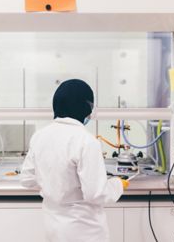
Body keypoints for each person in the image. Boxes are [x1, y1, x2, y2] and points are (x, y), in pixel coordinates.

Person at [21, 79, 129, 242]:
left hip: (53, 227)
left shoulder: (39, 136)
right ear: (84, 107)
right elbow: (96, 194)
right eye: (91, 107)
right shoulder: (86, 141)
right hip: (84, 231)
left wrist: (54, 183)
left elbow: (27, 180)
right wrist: (118, 185)